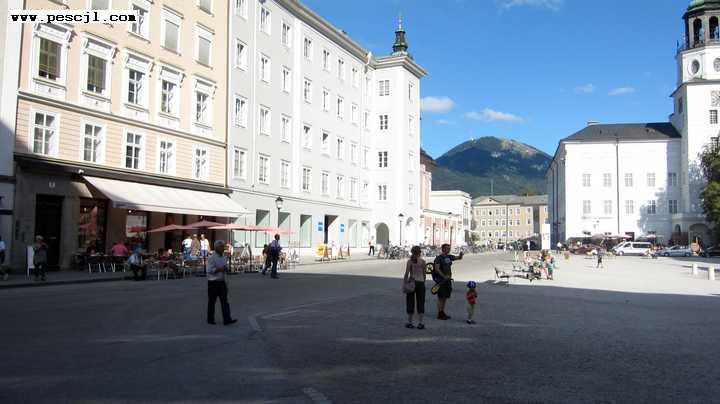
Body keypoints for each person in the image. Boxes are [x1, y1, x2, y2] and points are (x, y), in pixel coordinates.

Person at [206, 240, 237, 326]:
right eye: (222, 247)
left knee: (225, 301)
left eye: (223, 247)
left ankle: (227, 319)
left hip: (222, 282)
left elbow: (224, 267)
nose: (223, 249)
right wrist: (219, 269)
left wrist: (226, 269)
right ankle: (210, 319)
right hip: (213, 282)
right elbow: (209, 271)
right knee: (212, 301)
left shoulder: (223, 257)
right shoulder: (211, 258)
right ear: (217, 248)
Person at [432, 243, 463, 320]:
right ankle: (440, 314)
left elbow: (458, 258)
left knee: (445, 297)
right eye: (447, 248)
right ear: (443, 249)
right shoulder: (439, 258)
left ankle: (442, 312)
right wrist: (443, 276)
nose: (449, 249)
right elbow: (437, 269)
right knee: (441, 297)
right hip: (441, 280)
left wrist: (461, 255)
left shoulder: (449, 257)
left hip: (448, 280)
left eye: (449, 248)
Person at [403, 246, 427, 329]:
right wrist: (423, 282)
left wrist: (405, 283)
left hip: (412, 282)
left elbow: (407, 273)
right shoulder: (423, 262)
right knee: (421, 302)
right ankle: (420, 323)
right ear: (420, 252)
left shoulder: (409, 261)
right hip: (420, 282)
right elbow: (424, 274)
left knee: (410, 301)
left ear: (412, 252)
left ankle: (410, 322)